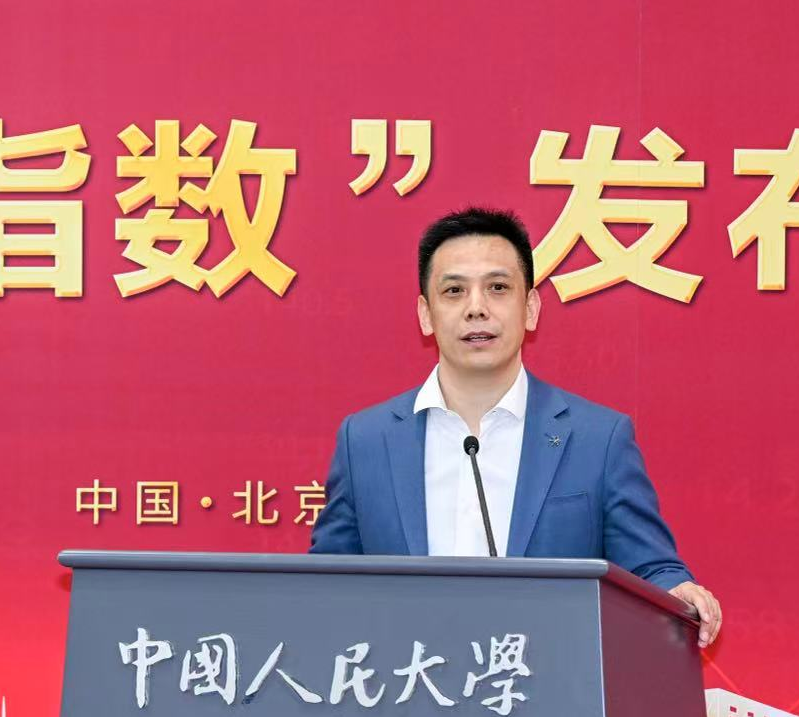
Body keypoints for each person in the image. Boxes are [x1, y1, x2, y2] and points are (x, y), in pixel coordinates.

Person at [308, 206, 723, 647]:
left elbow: (650, 568)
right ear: (426, 315)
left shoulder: (598, 440)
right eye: (454, 291)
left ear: (531, 308)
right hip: (406, 680)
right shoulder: (365, 441)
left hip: (549, 679)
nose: (476, 309)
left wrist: (677, 591)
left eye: (498, 288)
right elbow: (326, 583)